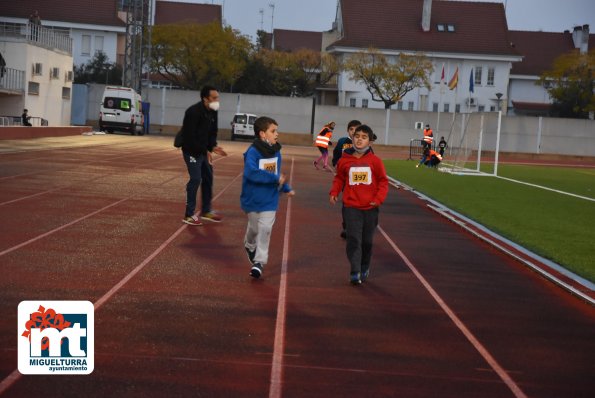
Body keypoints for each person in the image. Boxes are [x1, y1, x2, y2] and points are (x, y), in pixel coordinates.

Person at [329, 125, 389, 285]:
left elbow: (383, 181)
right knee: (353, 239)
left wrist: (378, 199)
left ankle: (364, 266)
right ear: (352, 138)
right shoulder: (344, 160)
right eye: (357, 136)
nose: (359, 139)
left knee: (366, 242)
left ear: (370, 141)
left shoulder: (375, 161)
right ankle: (355, 270)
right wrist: (334, 192)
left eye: (364, 136)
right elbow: (339, 178)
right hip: (351, 207)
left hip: (370, 208)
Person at [241, 116, 295, 279]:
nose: (277, 134)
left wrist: (285, 187)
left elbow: (277, 174)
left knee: (265, 230)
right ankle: (249, 245)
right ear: (262, 134)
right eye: (273, 131)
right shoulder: (252, 152)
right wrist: (274, 179)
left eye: (277, 130)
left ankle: (259, 263)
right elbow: (250, 173)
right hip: (252, 198)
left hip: (270, 198)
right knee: (254, 229)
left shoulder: (276, 152)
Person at [180, 85, 227, 226]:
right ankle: (189, 215)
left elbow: (213, 132)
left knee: (208, 178)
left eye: (217, 97)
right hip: (191, 150)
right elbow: (190, 137)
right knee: (195, 179)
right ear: (205, 99)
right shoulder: (193, 112)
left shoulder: (213, 111)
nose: (217, 100)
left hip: (203, 150)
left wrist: (212, 146)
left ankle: (206, 211)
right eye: (214, 98)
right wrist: (205, 151)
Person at [332, 119, 362, 239]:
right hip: (345, 178)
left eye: (356, 129)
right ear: (348, 131)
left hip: (360, 178)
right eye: (351, 129)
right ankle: (347, 226)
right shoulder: (342, 142)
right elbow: (336, 155)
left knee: (359, 202)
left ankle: (358, 226)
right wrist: (336, 164)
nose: (354, 132)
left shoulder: (363, 143)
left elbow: (371, 159)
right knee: (347, 202)